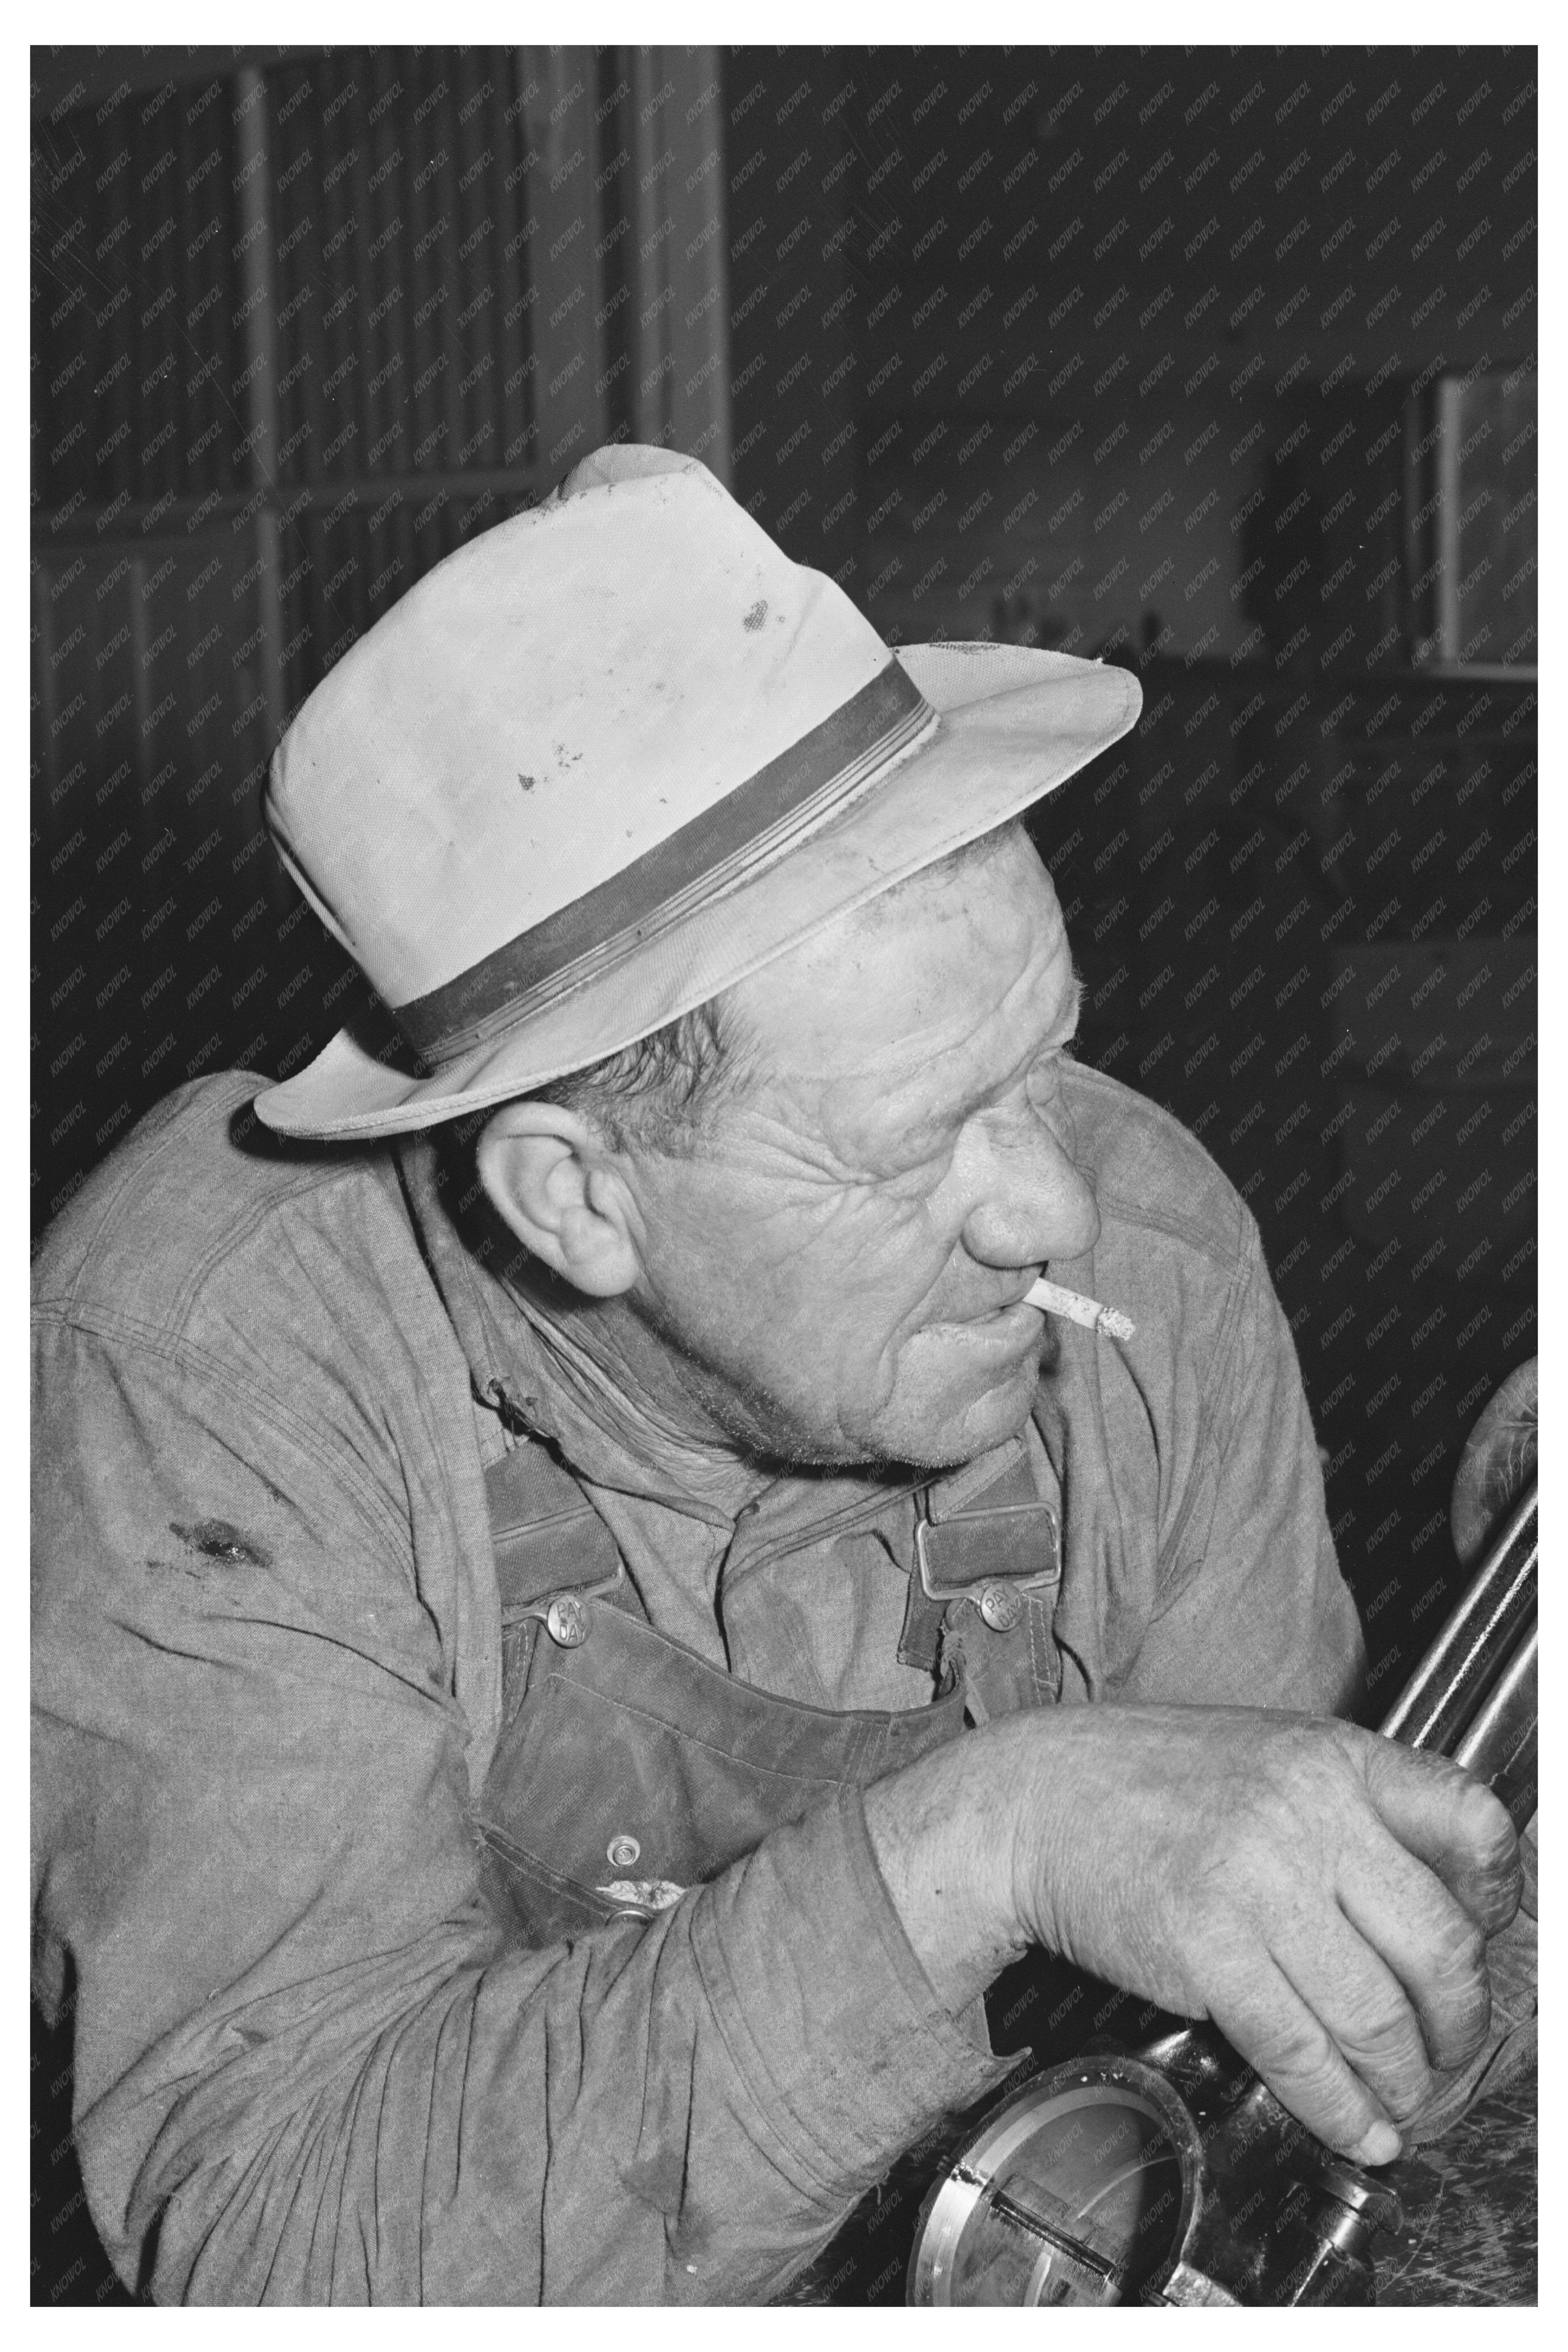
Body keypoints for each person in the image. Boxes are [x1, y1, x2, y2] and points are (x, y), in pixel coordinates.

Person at [32, 444, 1524, 2305]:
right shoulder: (206, 1365)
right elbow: (287, 2248)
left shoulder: (1145, 1244)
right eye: (917, 1150)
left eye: (1042, 1059)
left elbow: (1297, 2095)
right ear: (576, 1196)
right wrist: (992, 1838)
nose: (1052, 1203)